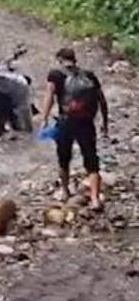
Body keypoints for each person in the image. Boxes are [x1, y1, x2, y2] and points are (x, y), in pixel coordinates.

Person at [41, 47, 109, 209]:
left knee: (64, 158)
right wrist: (105, 123)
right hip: (86, 123)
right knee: (91, 160)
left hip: (65, 122)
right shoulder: (89, 75)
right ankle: (95, 199)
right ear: (74, 59)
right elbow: (102, 100)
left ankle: (65, 191)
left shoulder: (55, 74)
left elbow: (49, 95)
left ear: (60, 59)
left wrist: (44, 118)